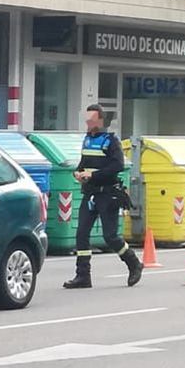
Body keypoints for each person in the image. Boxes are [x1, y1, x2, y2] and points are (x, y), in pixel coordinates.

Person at [64, 104, 143, 290]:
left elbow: (117, 166)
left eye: (91, 120)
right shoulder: (87, 140)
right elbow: (84, 163)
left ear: (100, 120)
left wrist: (93, 175)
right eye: (87, 120)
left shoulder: (111, 141)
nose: (88, 123)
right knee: (82, 233)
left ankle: (134, 264)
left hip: (107, 194)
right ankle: (83, 276)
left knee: (110, 236)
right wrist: (78, 173)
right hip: (90, 193)